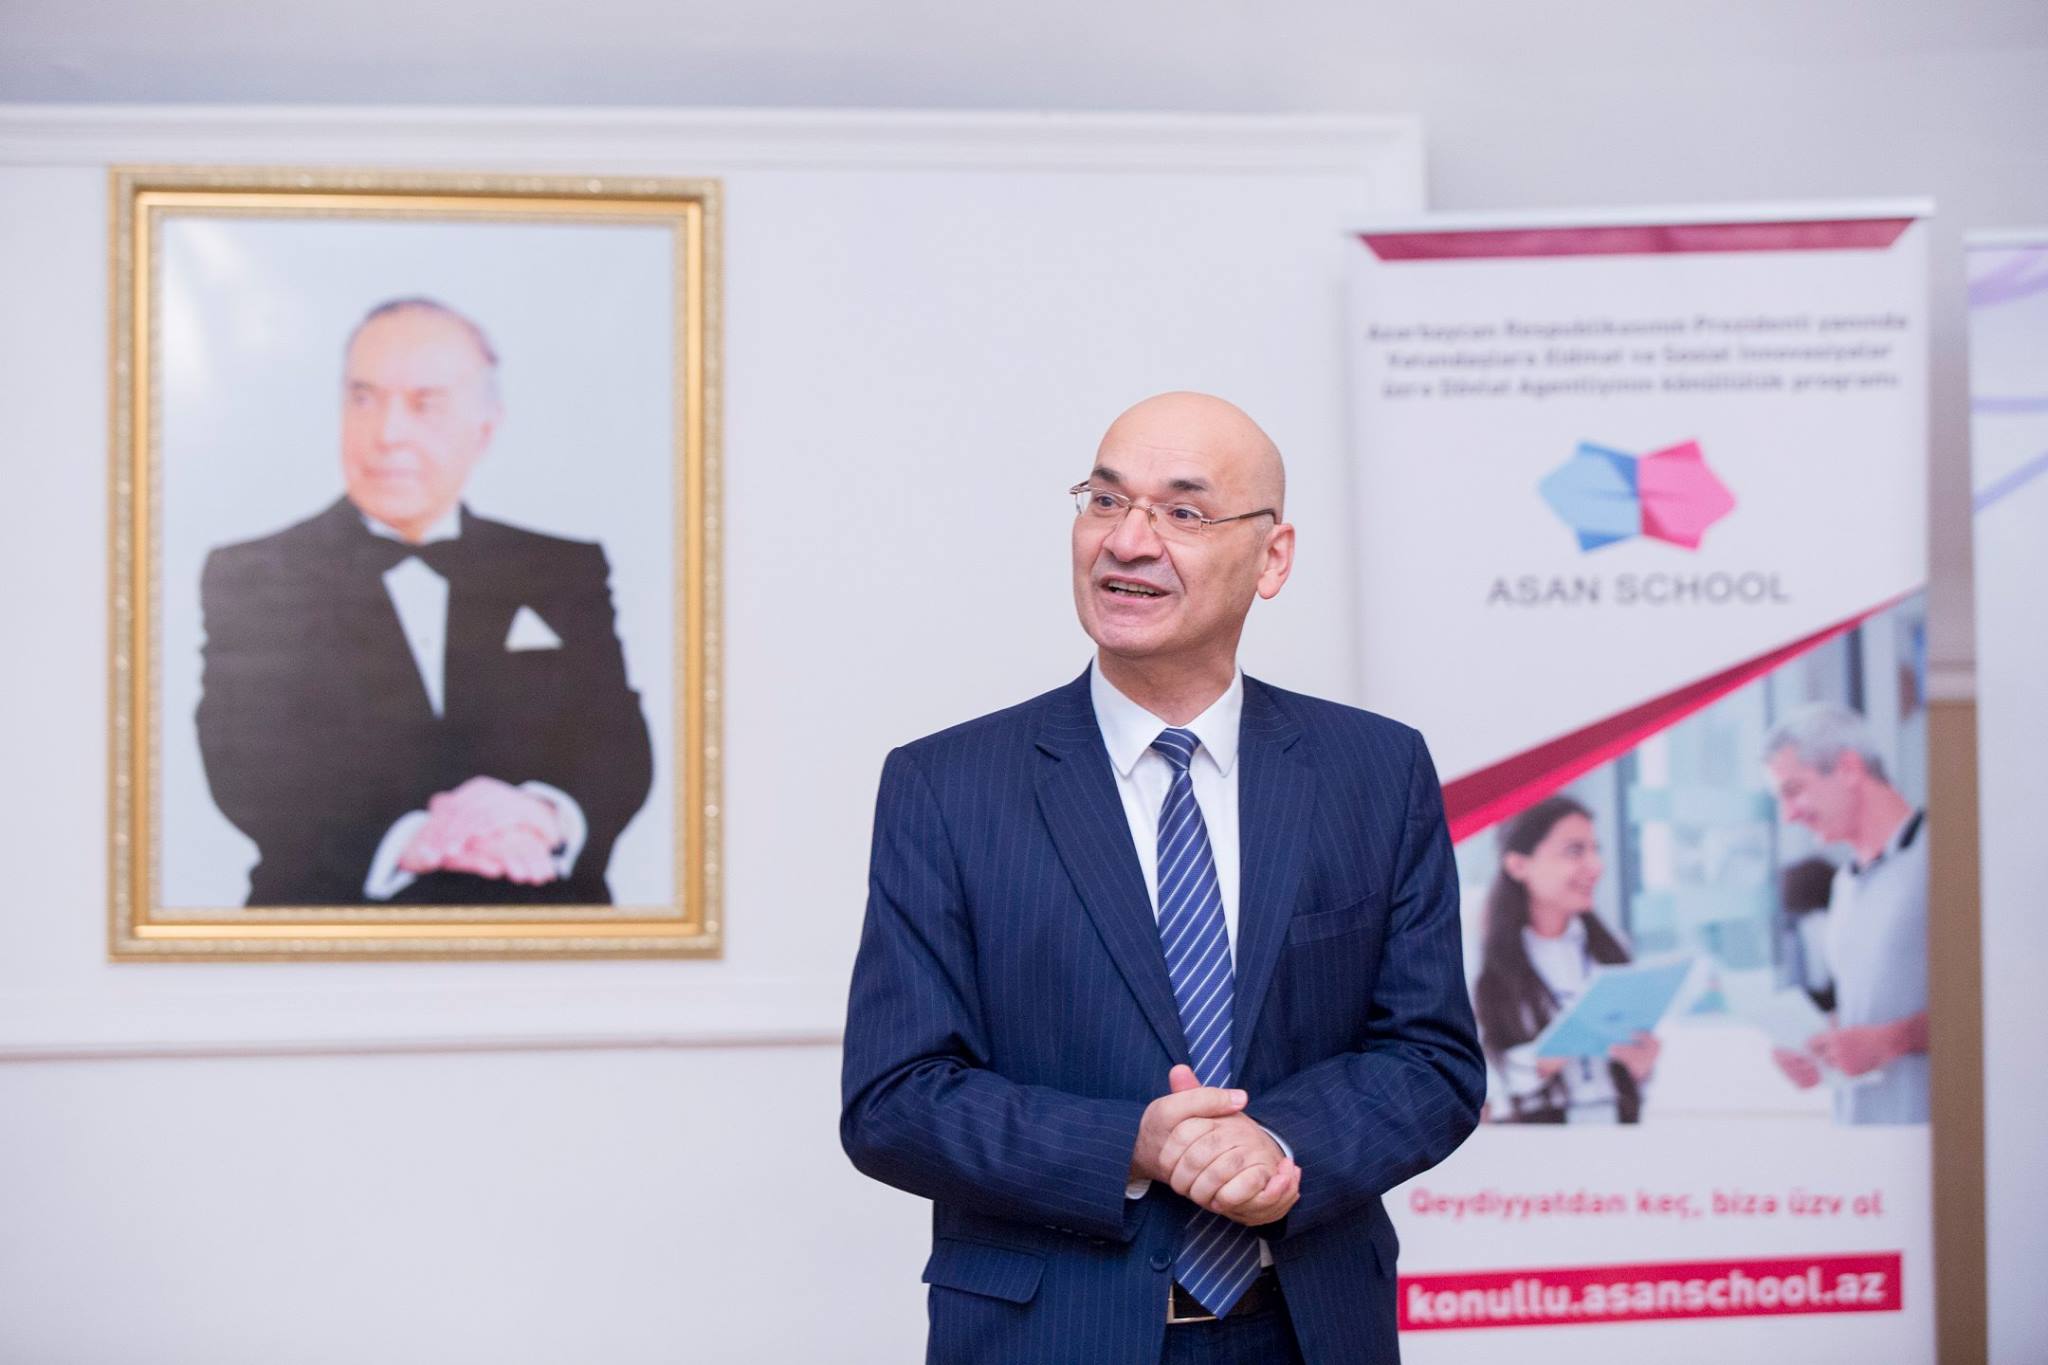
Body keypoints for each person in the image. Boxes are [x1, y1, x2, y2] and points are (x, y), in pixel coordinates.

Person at [840, 392, 1483, 1364]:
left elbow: (1429, 1060)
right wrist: (1131, 1144)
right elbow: (893, 1099)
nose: (1127, 541)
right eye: (1104, 500)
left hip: (1307, 1331)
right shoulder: (947, 785)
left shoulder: (1374, 771)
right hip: (1053, 1337)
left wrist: (1276, 1144)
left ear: (1271, 558)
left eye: (1182, 511)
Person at [195, 297, 653, 906]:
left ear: (484, 428)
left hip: (545, 918)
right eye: (363, 399)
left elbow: (615, 742)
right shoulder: (255, 574)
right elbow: (244, 762)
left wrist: (541, 815)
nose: (387, 434)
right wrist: (415, 840)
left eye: (424, 405)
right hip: (329, 924)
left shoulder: (563, 568)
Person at [1762, 703, 1929, 1123]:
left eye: (1794, 790)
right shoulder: (1844, 886)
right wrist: (1822, 1049)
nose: (1788, 815)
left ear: (1849, 769)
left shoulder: (1942, 858)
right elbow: (1871, 1011)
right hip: (1862, 1135)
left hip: (1932, 1140)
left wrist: (1895, 1040)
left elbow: (2001, 1003)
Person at [1472, 796, 1659, 1124]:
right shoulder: (1481, 959)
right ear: (1518, 865)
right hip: (1532, 1137)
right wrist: (1543, 1058)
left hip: (1616, 1129)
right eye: (1575, 851)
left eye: (1595, 850)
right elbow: (1467, 1075)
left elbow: (1633, 1081)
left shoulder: (1611, 948)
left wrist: (1642, 1065)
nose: (1595, 866)